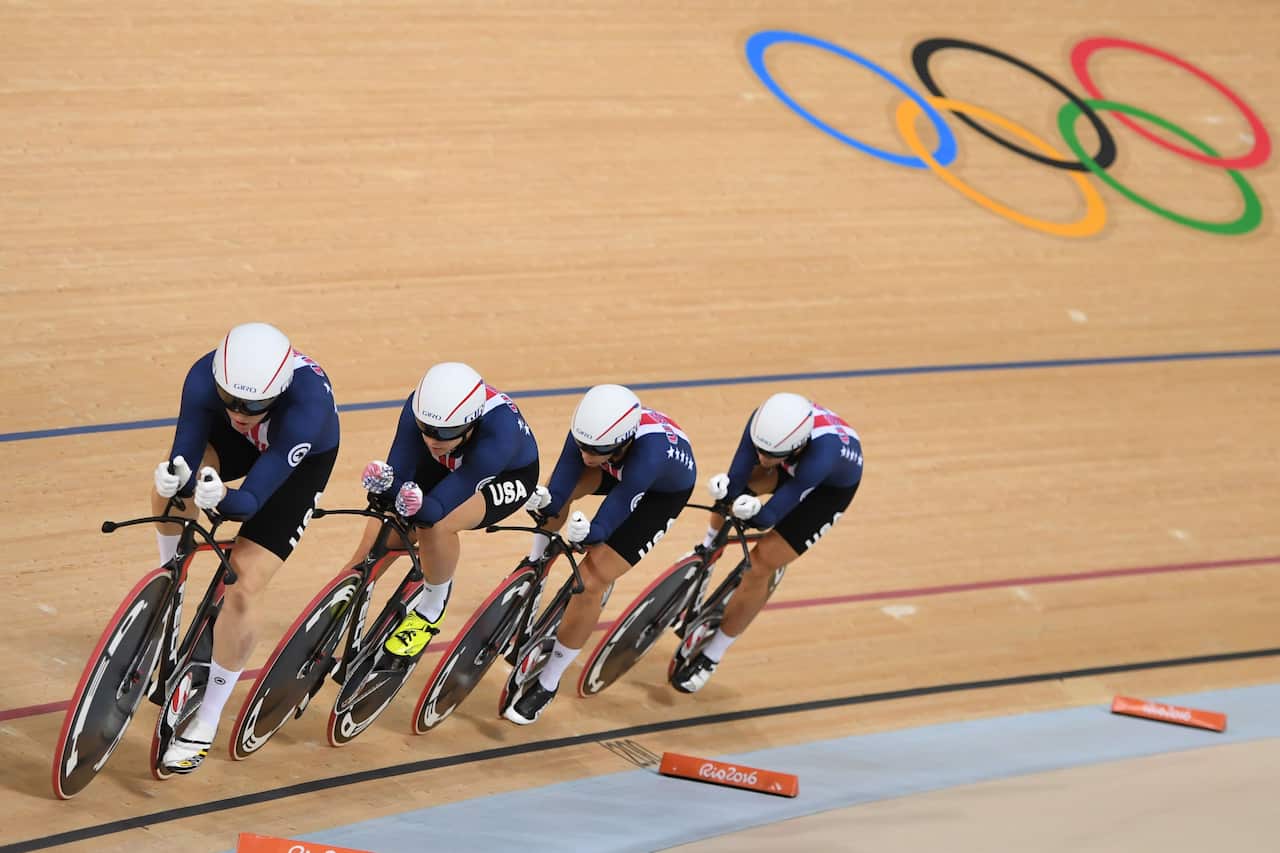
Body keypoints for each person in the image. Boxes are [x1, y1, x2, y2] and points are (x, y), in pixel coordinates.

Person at [152, 322, 340, 773]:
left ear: (278, 392)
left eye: (252, 404)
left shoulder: (307, 406)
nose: (239, 411)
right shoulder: (204, 376)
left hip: (295, 466)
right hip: (236, 447)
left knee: (243, 584)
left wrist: (223, 497)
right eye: (230, 399)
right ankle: (168, 586)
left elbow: (251, 501)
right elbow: (187, 450)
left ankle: (208, 718)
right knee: (168, 488)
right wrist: (177, 477)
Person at [505, 383, 696, 725]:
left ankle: (548, 682)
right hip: (616, 467)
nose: (586, 456)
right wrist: (547, 503)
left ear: (624, 441)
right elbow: (562, 482)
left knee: (590, 581)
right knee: (555, 499)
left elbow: (614, 514)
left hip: (659, 492)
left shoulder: (649, 454)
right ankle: (535, 567)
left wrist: (591, 534)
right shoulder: (589, 434)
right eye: (582, 446)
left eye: (597, 450)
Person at [671, 391, 863, 693]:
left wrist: (756, 513)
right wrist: (726, 490)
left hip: (826, 491)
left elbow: (770, 516)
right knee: (728, 501)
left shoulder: (822, 455)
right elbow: (738, 476)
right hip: (789, 466)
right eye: (759, 450)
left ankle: (713, 655)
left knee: (760, 565)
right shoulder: (761, 425)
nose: (762, 459)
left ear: (798, 445)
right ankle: (708, 552)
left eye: (769, 455)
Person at [361, 362, 539, 659]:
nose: (433, 440)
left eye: (447, 432)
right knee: (384, 528)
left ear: (471, 424)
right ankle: (348, 592)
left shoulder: (500, 433)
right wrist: (387, 486)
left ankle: (432, 609)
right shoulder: (421, 409)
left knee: (437, 525)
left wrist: (413, 503)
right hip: (449, 461)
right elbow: (398, 473)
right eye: (426, 430)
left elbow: (436, 509)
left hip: (505, 475)